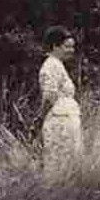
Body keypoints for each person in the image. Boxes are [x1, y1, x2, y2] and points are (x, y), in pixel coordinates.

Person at [38, 26, 83, 173]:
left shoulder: (58, 65)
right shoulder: (51, 65)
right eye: (67, 47)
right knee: (59, 163)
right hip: (59, 122)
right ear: (55, 46)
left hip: (66, 120)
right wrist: (40, 118)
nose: (71, 50)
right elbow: (49, 96)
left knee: (69, 164)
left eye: (72, 47)